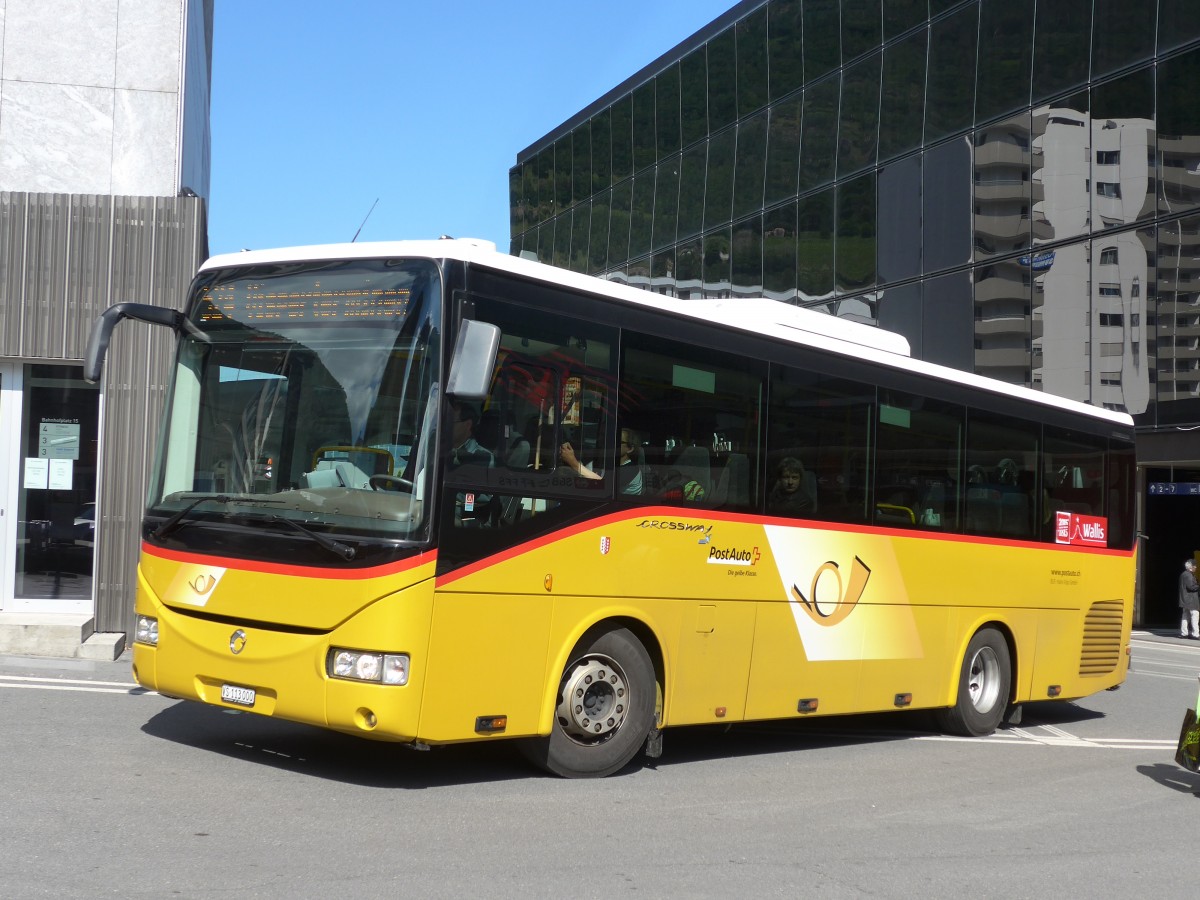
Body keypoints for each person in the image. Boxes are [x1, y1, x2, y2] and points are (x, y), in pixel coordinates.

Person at [559, 426, 643, 495]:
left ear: (630, 449)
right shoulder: (607, 463)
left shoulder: (632, 469)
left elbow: (604, 486)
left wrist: (574, 463)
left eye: (617, 441)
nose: (609, 442)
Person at [1181, 559, 1200, 639]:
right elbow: (1191, 587)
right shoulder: (1189, 575)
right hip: (1191, 599)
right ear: (1190, 567)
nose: (1196, 567)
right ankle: (1196, 634)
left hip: (1185, 599)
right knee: (1195, 615)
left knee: (1185, 616)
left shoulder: (1184, 574)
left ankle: (1184, 633)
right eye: (1194, 565)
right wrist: (1199, 586)